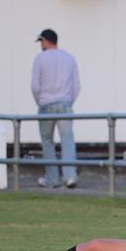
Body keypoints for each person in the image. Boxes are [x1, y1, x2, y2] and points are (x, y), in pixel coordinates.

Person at [32, 29, 80, 188]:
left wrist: (40, 101)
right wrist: (68, 102)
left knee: (47, 141)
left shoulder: (40, 59)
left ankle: (52, 179)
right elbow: (76, 86)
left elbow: (35, 86)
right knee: (67, 140)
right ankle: (70, 176)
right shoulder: (69, 57)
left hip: (46, 105)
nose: (40, 44)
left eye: (41, 41)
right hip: (65, 105)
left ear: (46, 41)